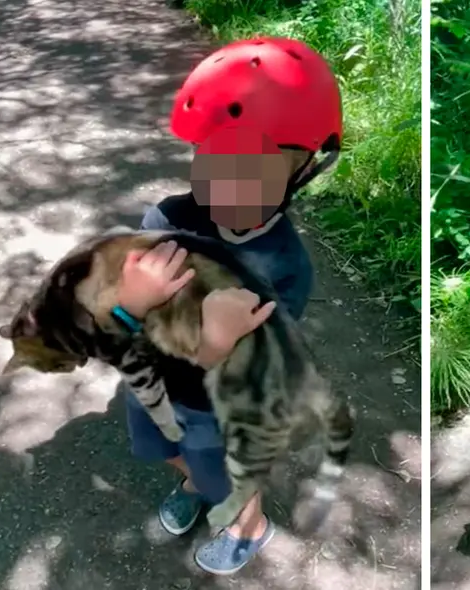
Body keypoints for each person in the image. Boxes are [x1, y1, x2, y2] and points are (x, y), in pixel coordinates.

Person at [111, 36, 343, 576]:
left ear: (302, 169)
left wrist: (216, 347)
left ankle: (250, 526)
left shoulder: (284, 265)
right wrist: (127, 304)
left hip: (218, 408)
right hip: (155, 387)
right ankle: (192, 482)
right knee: (159, 446)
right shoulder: (166, 219)